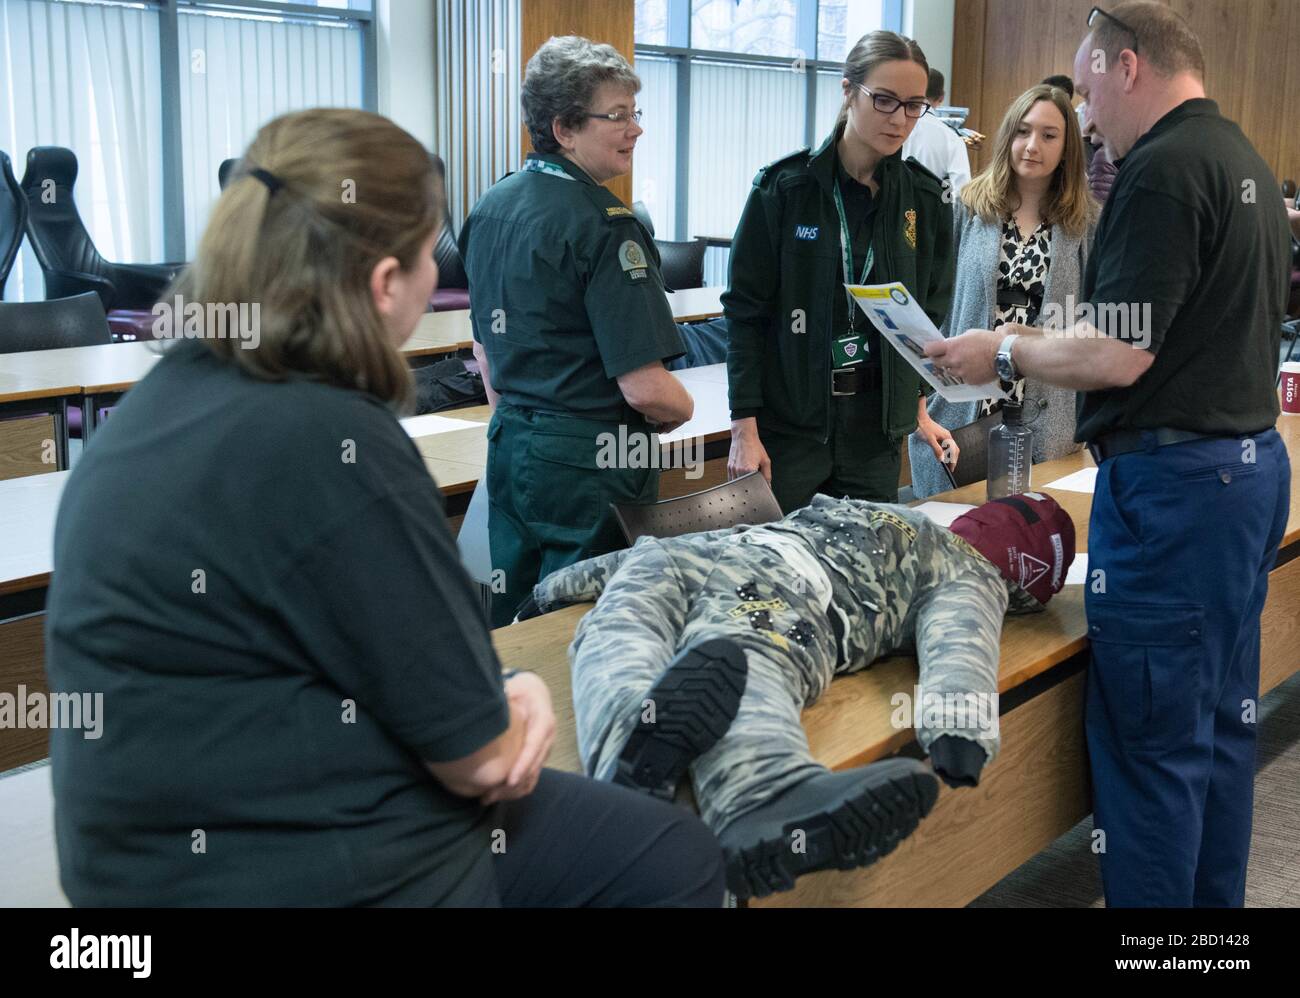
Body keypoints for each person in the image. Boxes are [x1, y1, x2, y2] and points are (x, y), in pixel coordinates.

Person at [45, 109, 724, 908]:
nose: (440, 283)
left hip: (130, 866)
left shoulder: (165, 398)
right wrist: (524, 694)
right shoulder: (330, 438)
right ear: (383, 285)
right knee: (674, 855)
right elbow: (480, 755)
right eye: (428, 260)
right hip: (281, 869)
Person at [925, 2, 1292, 907]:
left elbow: (1122, 353)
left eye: (1088, 89)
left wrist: (1005, 348)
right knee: (1215, 733)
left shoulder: (1162, 170)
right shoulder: (1241, 157)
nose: (1086, 116)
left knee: (1151, 751)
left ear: (1128, 66)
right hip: (1242, 475)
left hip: (1174, 495)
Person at [518, 492, 1076, 899]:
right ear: (1025, 588)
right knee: (749, 661)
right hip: (789, 592)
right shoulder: (971, 575)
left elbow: (676, 545)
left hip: (717, 550)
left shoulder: (888, 510)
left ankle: (626, 739)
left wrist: (557, 587)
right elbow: (961, 644)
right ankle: (760, 793)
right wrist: (960, 733)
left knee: (619, 626)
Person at [460, 35, 693, 627]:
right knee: (586, 623)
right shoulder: (606, 225)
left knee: (508, 621)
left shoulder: (490, 206)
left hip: (512, 442)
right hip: (593, 458)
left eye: (634, 114)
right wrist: (683, 406)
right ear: (564, 127)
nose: (635, 129)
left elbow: (485, 351)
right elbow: (646, 389)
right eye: (617, 116)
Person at [725, 30, 958, 514]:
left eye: (914, 105)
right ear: (848, 90)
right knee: (786, 572)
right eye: (885, 100)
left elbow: (928, 311)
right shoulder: (785, 189)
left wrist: (914, 402)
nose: (900, 120)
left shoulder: (925, 199)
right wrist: (743, 428)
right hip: (794, 429)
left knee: (864, 572)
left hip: (876, 432)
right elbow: (746, 314)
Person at [908, 84, 1098, 499]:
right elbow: (930, 304)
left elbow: (1095, 326)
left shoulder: (1086, 225)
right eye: (1022, 131)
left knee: (1030, 544)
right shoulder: (967, 207)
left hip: (1049, 421)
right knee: (957, 538)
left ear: (1067, 148)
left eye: (1049, 135)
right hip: (964, 412)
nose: (1032, 146)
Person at [901, 67, 972, 195]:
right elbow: (962, 192)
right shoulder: (951, 138)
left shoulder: (893, 125)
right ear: (941, 97)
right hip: (930, 210)